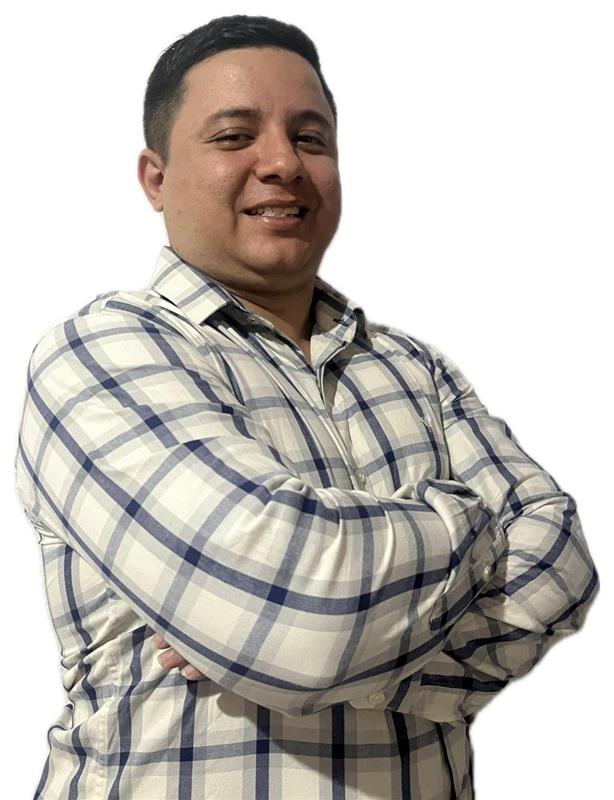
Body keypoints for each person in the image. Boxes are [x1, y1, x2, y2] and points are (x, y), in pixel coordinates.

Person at [13, 14, 599, 800]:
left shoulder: (415, 367)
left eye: (310, 138)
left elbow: (561, 562)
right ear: (155, 178)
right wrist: (474, 526)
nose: (284, 163)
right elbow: (300, 620)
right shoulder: (98, 354)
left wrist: (318, 646)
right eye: (234, 136)